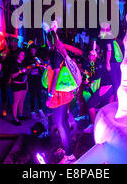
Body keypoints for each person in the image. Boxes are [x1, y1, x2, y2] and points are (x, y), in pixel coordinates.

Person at [45, 23, 80, 164]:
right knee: (64, 122)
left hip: (58, 95)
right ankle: (68, 151)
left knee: (59, 123)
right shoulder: (60, 52)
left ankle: (70, 156)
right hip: (65, 94)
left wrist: (50, 94)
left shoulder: (54, 52)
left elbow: (57, 73)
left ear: (49, 41)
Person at [83, 49, 113, 134]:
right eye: (89, 55)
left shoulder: (99, 63)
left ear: (95, 56)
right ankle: (104, 128)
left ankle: (94, 127)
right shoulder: (94, 63)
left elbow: (98, 75)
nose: (89, 56)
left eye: (91, 55)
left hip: (107, 86)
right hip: (109, 87)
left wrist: (89, 80)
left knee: (90, 104)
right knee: (102, 108)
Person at [98, 23, 122, 102]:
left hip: (112, 62)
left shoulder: (107, 38)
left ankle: (116, 98)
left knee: (114, 80)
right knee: (115, 80)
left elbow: (109, 50)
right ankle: (115, 97)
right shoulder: (108, 37)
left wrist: (108, 62)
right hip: (114, 62)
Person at [9, 50, 29, 125]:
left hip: (23, 84)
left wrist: (26, 84)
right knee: (16, 102)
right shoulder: (14, 64)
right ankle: (15, 118)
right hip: (17, 85)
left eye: (23, 55)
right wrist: (20, 71)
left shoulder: (23, 63)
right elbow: (13, 76)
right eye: (21, 55)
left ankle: (20, 115)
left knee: (21, 101)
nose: (23, 56)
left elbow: (25, 74)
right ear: (18, 55)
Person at [26, 45, 45, 119]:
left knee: (39, 95)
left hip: (38, 79)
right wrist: (30, 67)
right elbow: (26, 71)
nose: (33, 51)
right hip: (31, 79)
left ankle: (40, 110)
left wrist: (39, 65)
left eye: (34, 50)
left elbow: (43, 66)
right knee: (32, 95)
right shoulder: (27, 59)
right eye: (31, 50)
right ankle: (32, 112)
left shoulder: (38, 58)